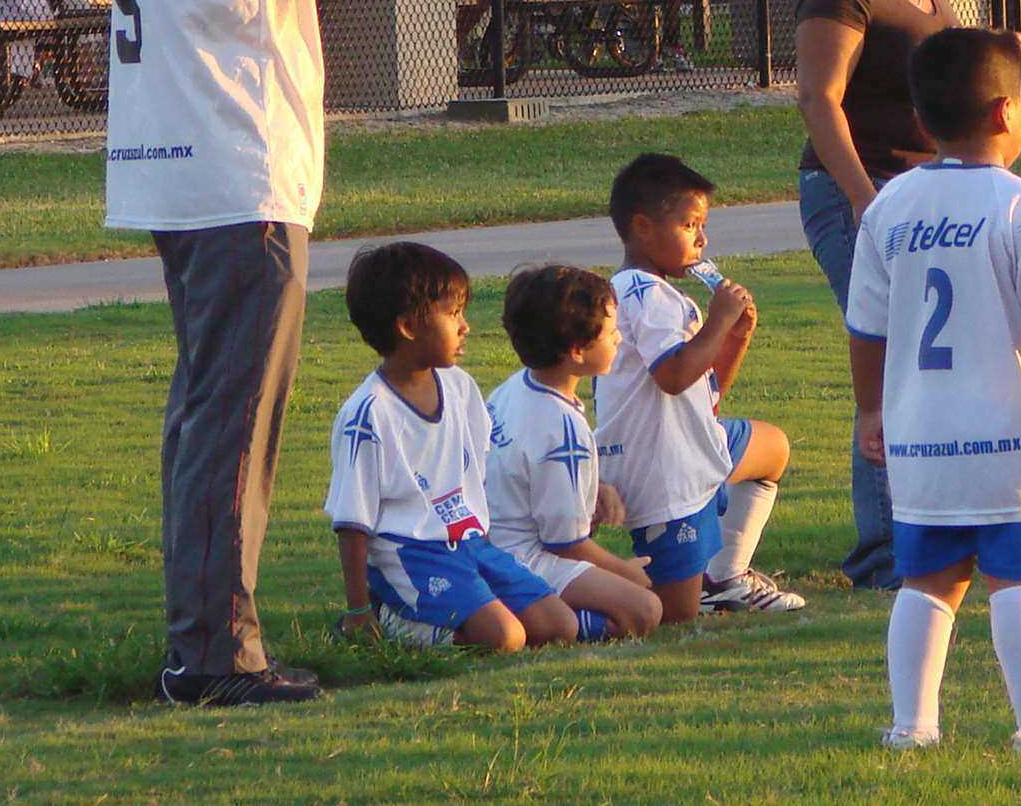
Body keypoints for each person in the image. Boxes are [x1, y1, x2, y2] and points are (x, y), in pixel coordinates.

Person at [103, 0, 633, 707]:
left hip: (181, 179)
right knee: (231, 429)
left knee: (207, 421)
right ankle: (212, 659)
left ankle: (204, 644)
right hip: (233, 183)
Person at [847, 28, 1021, 755]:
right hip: (1010, 440)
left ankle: (912, 727)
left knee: (926, 582)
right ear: (1005, 113)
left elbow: (865, 326)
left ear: (923, 123)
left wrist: (871, 409)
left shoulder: (889, 208)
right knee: (1020, 582)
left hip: (922, 438)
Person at [792, 0, 960, 589]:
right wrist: (867, 201)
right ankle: (885, 552)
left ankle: (936, 527)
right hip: (858, 197)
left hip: (928, 196)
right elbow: (818, 100)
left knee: (923, 362)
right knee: (888, 361)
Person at [324, 243, 580, 653]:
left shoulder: (460, 387)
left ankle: (462, 615)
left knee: (559, 624)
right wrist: (358, 610)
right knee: (506, 638)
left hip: (468, 543)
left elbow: (478, 468)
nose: (465, 326)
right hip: (411, 552)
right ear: (408, 326)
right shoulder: (368, 415)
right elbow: (352, 523)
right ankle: (390, 617)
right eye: (453, 313)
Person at [595, 154, 803, 623]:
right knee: (673, 617)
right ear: (644, 228)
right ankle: (585, 594)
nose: (702, 239)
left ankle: (726, 576)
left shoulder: (661, 294)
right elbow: (671, 377)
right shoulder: (641, 293)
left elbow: (703, 392)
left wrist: (734, 338)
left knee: (771, 448)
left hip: (692, 445)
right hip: (662, 467)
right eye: (690, 224)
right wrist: (718, 320)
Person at [483, 264, 664, 642]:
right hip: (522, 557)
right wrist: (624, 571)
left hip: (486, 543)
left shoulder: (514, 388)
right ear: (577, 351)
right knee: (645, 609)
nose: (619, 341)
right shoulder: (563, 432)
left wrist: (595, 486)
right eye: (612, 333)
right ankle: (530, 617)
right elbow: (565, 545)